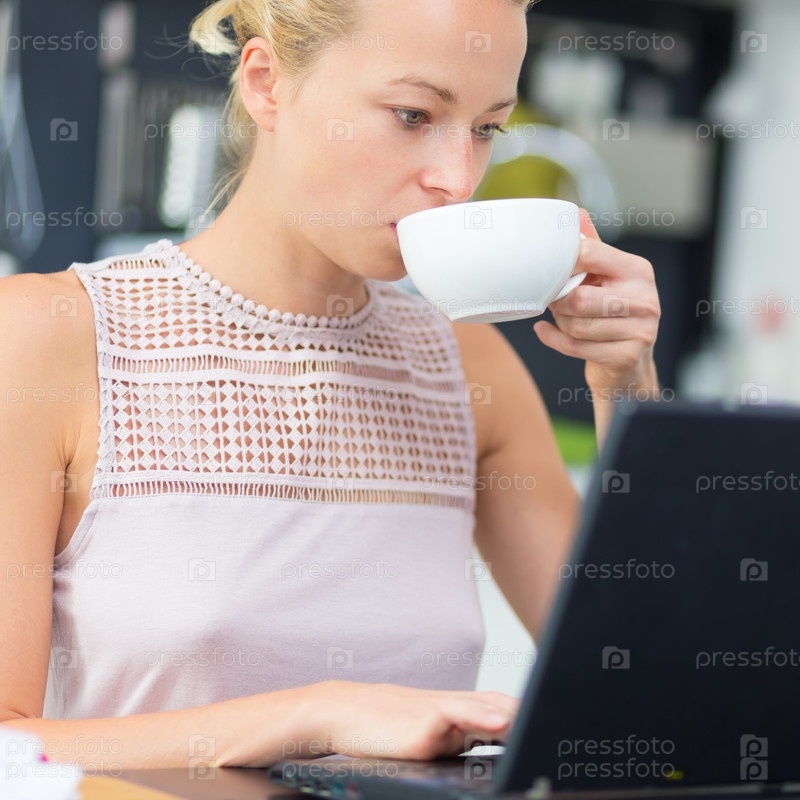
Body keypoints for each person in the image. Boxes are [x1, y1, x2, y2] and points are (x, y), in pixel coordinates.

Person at [0, 0, 660, 773]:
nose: (456, 180)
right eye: (413, 115)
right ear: (267, 82)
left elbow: (648, 697)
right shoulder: (47, 338)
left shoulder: (471, 369)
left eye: (486, 128)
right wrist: (318, 713)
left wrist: (628, 390)